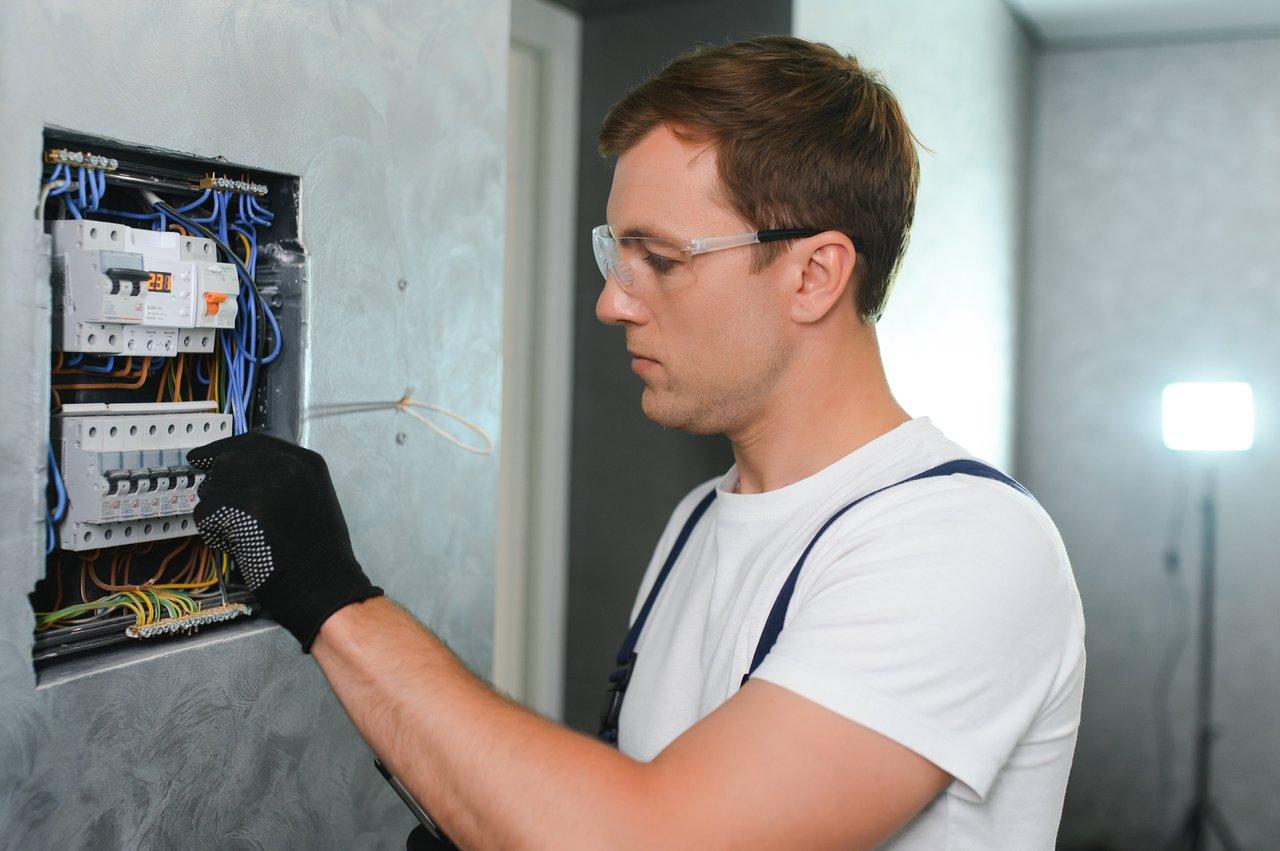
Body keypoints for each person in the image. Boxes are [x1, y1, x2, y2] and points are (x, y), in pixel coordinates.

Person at [190, 35, 1085, 850]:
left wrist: (330, 597)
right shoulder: (701, 517)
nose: (613, 301)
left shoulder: (962, 545)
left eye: (660, 258)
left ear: (814, 273)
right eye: (614, 254)